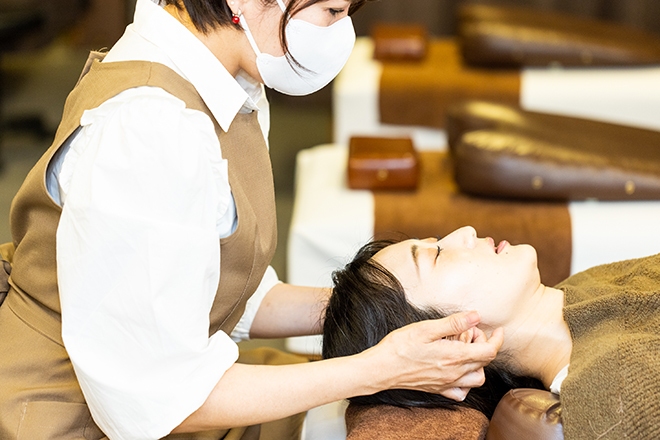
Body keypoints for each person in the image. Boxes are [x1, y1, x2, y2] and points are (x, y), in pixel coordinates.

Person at [0, 1, 505, 438]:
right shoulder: (150, 131)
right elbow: (157, 398)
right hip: (67, 413)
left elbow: (223, 289)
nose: (340, 34)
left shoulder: (225, 78)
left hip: (161, 389)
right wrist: (380, 368)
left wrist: (390, 313)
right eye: (331, 11)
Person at [323, 226, 660, 439]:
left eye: (437, 241)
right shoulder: (621, 395)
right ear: (451, 343)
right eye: (436, 254)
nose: (465, 231)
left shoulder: (592, 283)